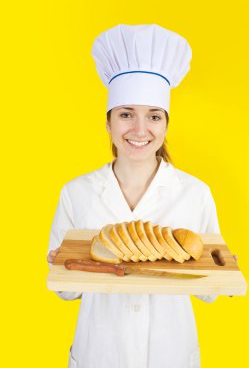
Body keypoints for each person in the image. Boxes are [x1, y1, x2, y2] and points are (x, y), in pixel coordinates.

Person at [47, 24, 222, 368]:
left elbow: (209, 291)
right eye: (126, 114)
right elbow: (67, 291)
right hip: (99, 354)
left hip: (170, 355)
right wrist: (57, 265)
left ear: (166, 125)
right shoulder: (76, 193)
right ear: (109, 123)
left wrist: (219, 266)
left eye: (153, 116)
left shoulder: (195, 193)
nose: (140, 130)